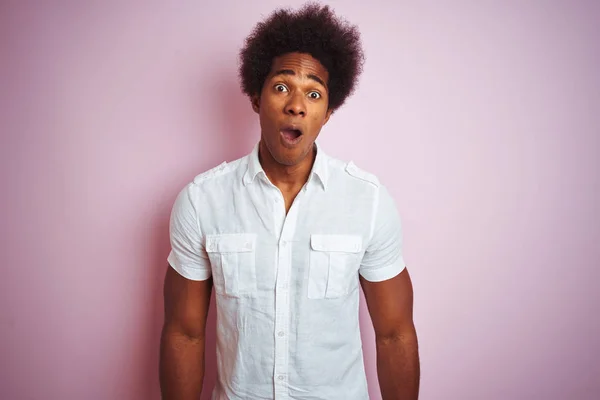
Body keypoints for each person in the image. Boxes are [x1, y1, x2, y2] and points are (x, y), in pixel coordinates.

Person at [159, 3, 420, 399]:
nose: (296, 104)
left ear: (327, 113)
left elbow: (395, 334)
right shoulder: (201, 201)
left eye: (313, 93)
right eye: (282, 86)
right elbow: (184, 332)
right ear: (255, 97)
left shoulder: (367, 201)